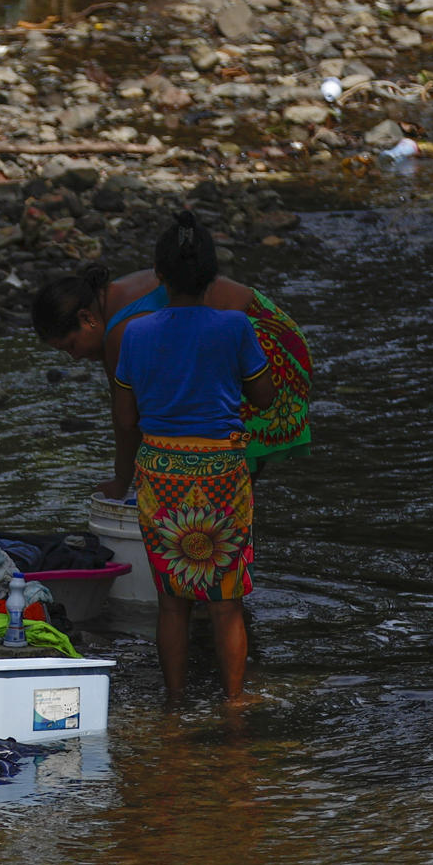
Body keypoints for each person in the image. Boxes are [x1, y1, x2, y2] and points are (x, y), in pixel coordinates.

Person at [109, 213, 276, 702]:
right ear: (213, 277)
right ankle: (234, 703)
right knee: (227, 603)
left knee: (171, 603)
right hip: (223, 472)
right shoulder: (234, 327)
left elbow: (125, 418)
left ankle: (176, 702)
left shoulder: (135, 334)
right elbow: (264, 397)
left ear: (159, 276)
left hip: (161, 474)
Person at [31, 252, 312, 495]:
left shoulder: (122, 332)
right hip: (279, 332)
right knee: (225, 479)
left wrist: (122, 480)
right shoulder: (114, 298)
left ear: (86, 318)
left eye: (70, 346)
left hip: (265, 349)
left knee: (224, 472)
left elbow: (127, 420)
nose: (75, 356)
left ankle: (222, 538)